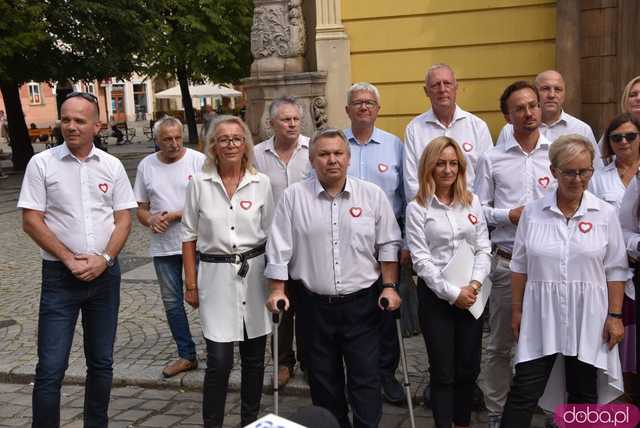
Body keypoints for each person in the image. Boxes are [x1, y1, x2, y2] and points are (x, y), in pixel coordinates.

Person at [265, 129, 402, 428]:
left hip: (363, 305)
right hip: (314, 307)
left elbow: (389, 244)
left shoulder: (372, 195)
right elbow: (278, 249)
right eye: (324, 154)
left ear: (348, 158)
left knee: (365, 378)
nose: (332, 160)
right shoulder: (293, 198)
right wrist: (277, 289)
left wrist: (390, 286)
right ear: (312, 160)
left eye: (338, 153)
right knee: (323, 381)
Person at [17, 91, 137, 427]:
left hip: (105, 278)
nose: (70, 126)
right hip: (59, 277)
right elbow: (31, 220)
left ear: (97, 126)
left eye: (79, 120)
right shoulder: (42, 164)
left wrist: (105, 258)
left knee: (101, 362)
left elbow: (124, 218)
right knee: (51, 367)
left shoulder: (111, 166)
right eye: (66, 119)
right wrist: (69, 259)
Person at [501, 135, 627, 427]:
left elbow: (616, 269)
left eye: (584, 171)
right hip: (540, 314)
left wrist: (615, 316)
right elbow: (519, 265)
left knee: (583, 391)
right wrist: (518, 311)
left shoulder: (605, 214)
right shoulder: (533, 212)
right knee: (525, 390)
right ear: (553, 171)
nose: (577, 178)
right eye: (569, 171)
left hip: (589, 316)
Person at [181, 115, 273, 427]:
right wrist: (190, 283)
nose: (231, 143)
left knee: (254, 359)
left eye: (236, 138)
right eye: (223, 139)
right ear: (213, 146)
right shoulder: (199, 184)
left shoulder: (261, 183)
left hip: (255, 277)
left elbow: (272, 235)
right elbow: (188, 236)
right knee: (218, 362)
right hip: (215, 277)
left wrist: (277, 286)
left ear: (245, 144)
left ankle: (250, 420)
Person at [474, 80, 555, 428]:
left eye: (533, 105)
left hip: (550, 267)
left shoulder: (557, 153)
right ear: (507, 115)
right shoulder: (492, 159)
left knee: (551, 342)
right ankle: (496, 412)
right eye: (520, 108)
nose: (529, 112)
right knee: (500, 344)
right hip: (507, 263)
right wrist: (507, 215)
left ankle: (551, 408)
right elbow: (477, 210)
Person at [406, 136, 491, 428]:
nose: (447, 169)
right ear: (429, 166)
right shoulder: (417, 208)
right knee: (443, 372)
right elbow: (421, 261)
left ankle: (463, 423)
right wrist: (452, 293)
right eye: (440, 163)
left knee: (468, 368)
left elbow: (483, 248)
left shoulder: (472, 201)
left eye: (453, 163)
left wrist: (475, 286)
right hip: (437, 298)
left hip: (472, 295)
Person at [343, 82, 413, 403]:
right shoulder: (334, 144)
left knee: (387, 311)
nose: (364, 107)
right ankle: (356, 372)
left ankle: (386, 373)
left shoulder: (395, 145)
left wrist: (407, 242)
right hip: (344, 242)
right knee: (352, 311)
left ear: (378, 109)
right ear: (348, 110)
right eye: (357, 102)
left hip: (387, 241)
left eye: (370, 102)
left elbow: (408, 196)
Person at [133, 116, 205, 378]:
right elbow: (139, 208)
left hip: (198, 243)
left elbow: (209, 202)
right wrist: (150, 219)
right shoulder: (146, 166)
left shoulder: (197, 160)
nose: (174, 143)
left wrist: (174, 215)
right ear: (157, 140)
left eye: (178, 137)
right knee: (172, 303)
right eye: (167, 139)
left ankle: (218, 349)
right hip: (164, 247)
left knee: (206, 298)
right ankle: (186, 354)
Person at [254, 96, 311, 388]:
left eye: (295, 119)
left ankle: (311, 361)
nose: (291, 124)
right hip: (274, 243)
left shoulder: (313, 150)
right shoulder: (256, 155)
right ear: (271, 123)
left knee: (310, 306)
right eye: (285, 120)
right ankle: (283, 362)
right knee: (280, 304)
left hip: (309, 242)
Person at [404, 63, 493, 200]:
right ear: (426, 91)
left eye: (447, 83)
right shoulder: (414, 129)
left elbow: (487, 178)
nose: (442, 89)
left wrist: (474, 210)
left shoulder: (478, 127)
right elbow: (412, 182)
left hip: (469, 211)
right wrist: (427, 211)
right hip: (428, 214)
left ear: (456, 88)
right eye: (435, 85)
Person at [496, 70, 602, 168]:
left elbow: (596, 172)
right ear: (534, 94)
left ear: (564, 94)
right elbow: (499, 163)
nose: (551, 95)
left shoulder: (582, 130)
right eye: (545, 89)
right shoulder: (509, 130)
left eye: (558, 89)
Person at [590, 113, 640, 209]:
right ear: (609, 141)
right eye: (616, 137)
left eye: (630, 136)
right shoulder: (597, 179)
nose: (623, 141)